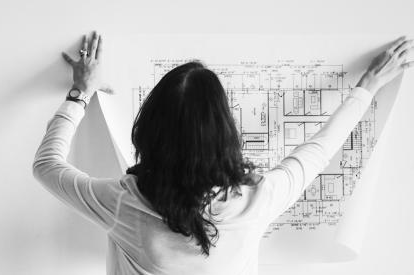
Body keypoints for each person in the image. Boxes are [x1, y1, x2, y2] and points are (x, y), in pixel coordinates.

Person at [32, 32, 413, 275]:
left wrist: (80, 92)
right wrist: (368, 85)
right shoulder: (258, 199)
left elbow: (47, 166)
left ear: (149, 129)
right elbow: (318, 151)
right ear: (224, 133)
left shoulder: (123, 203)